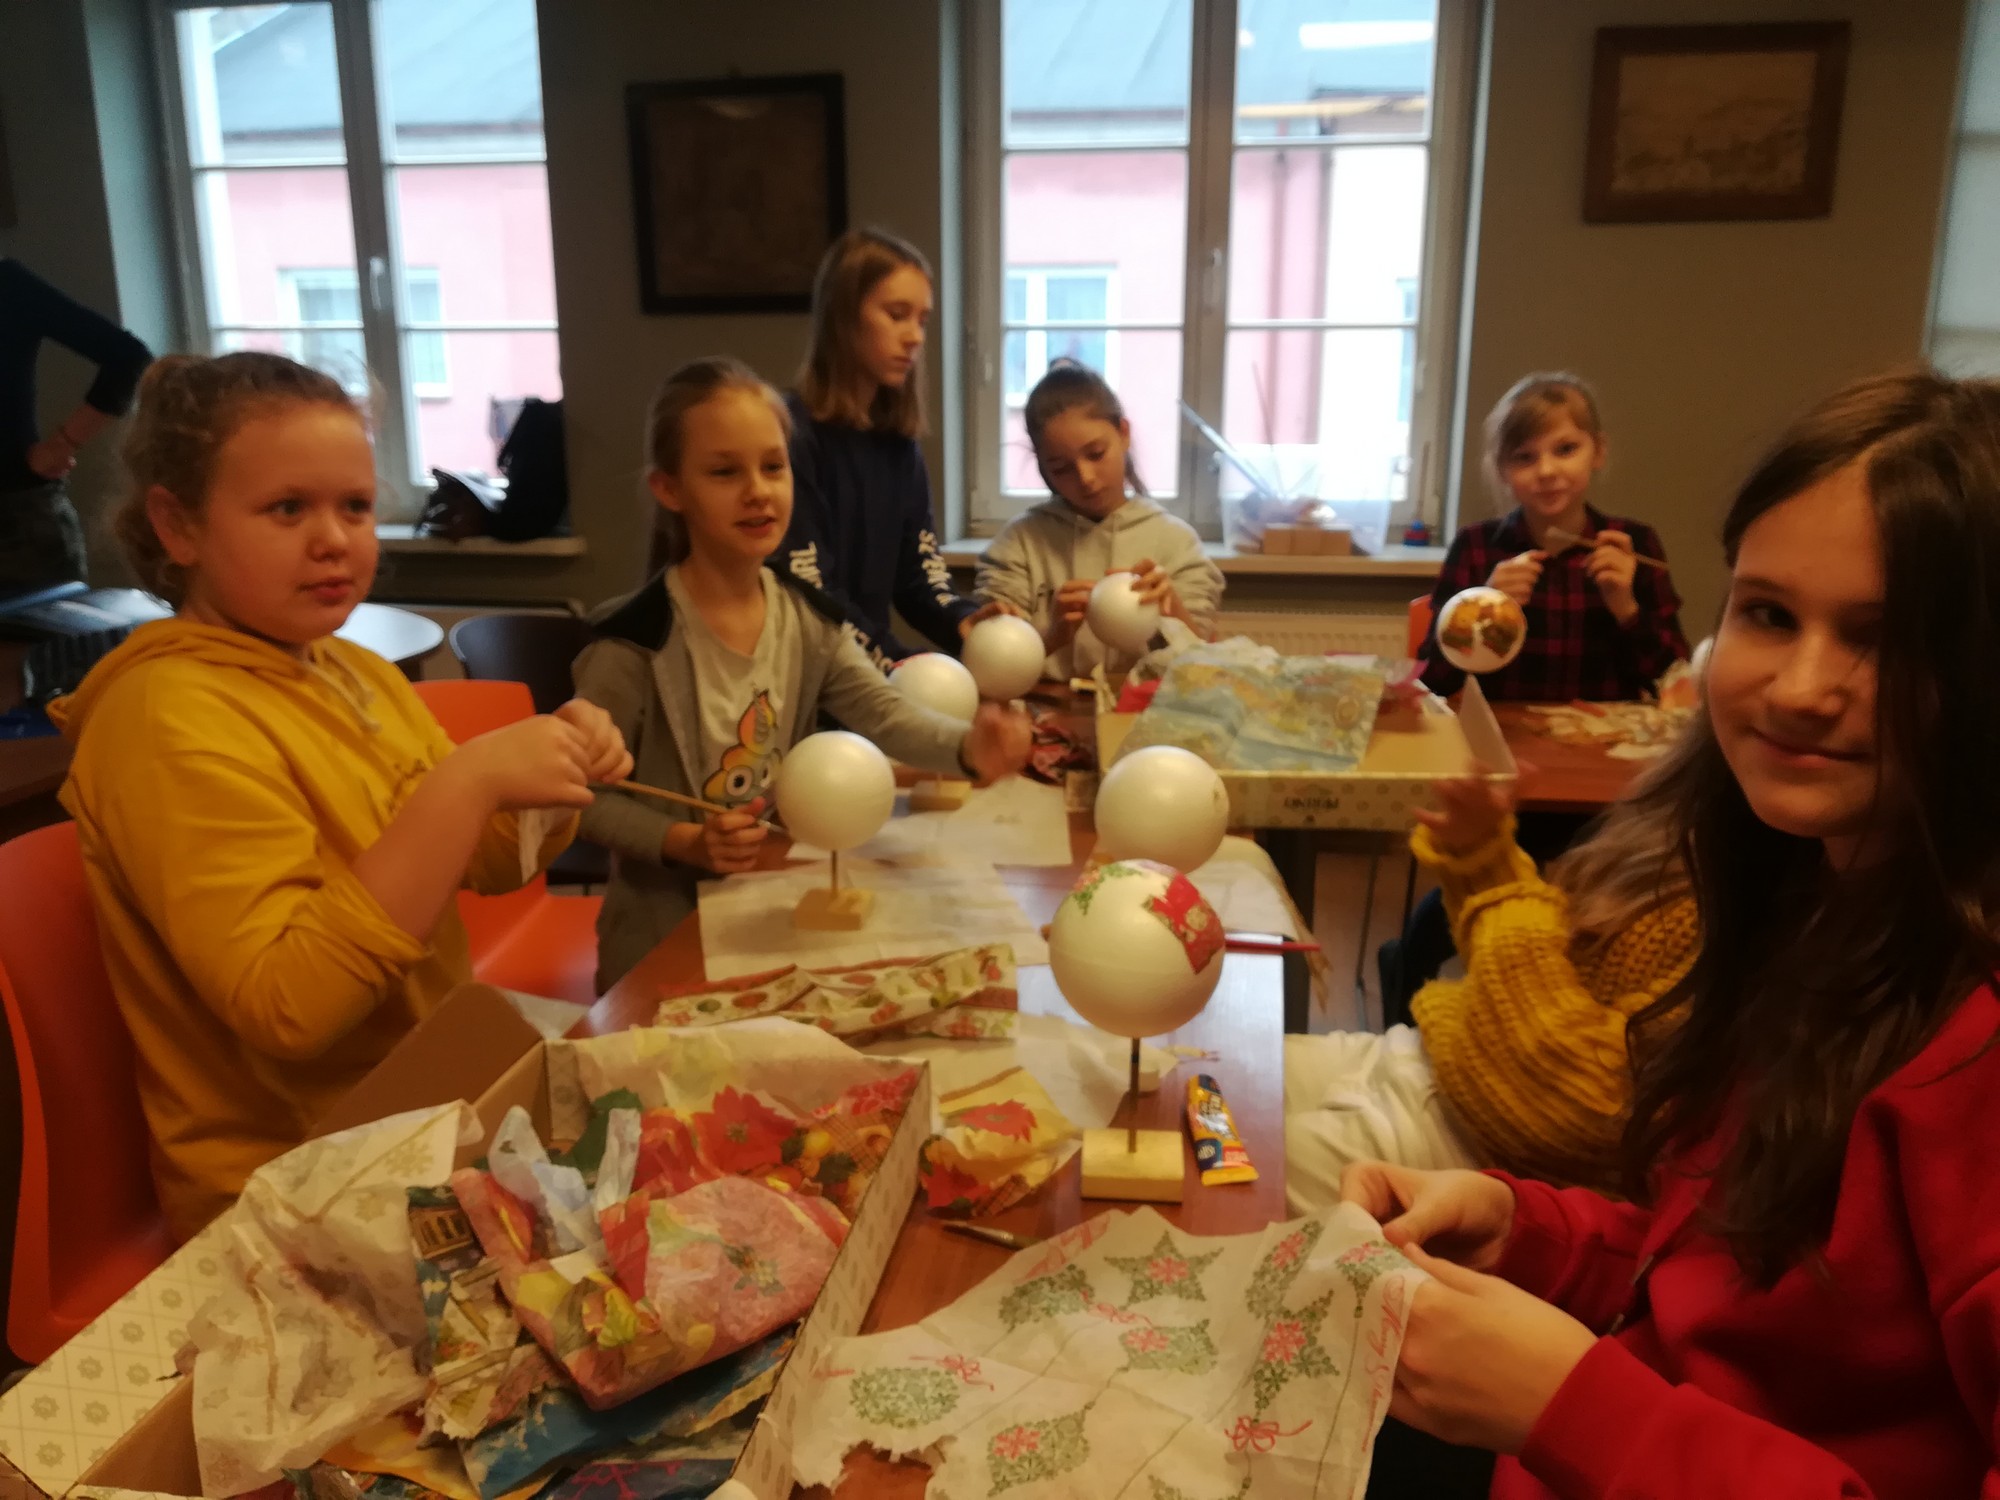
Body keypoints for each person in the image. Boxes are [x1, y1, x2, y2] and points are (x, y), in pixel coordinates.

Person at [1352, 368, 2000, 1500]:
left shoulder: (1971, 1054)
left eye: (1884, 638)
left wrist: (1578, 1410)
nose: (1799, 689)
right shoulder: (1807, 903)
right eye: (1768, 614)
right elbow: (1725, 1270)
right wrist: (1531, 1231)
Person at [53, 352, 630, 1240]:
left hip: (426, 1122)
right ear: (178, 526)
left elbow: (482, 862)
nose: (333, 539)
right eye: (288, 508)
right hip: (293, 1193)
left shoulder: (353, 670)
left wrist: (551, 775)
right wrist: (468, 780)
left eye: (355, 507)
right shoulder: (163, 717)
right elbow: (288, 1005)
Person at [576, 357, 1033, 992]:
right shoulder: (632, 641)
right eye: (724, 472)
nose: (758, 491)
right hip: (661, 943)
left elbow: (884, 714)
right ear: (670, 489)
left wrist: (968, 748)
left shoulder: (808, 619)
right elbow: (578, 798)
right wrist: (682, 840)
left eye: (774, 466)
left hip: (763, 921)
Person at [1385, 374, 1691, 1020]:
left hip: (1605, 782)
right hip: (1506, 769)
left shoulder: (1633, 546)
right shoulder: (1478, 549)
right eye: (1525, 458)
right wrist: (1482, 609)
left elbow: (1670, 676)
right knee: (1475, 884)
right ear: (1503, 471)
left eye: (1565, 449)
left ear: (1597, 452)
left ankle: (1558, 1006)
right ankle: (1409, 970)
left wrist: (1626, 605)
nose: (1547, 471)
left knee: (1606, 897)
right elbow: (1437, 680)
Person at [1284, 753, 1696, 1213]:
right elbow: (1527, 975)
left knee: (1231, 1175)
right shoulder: (1683, 822)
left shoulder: (1730, 926)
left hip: (1490, 1154)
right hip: (1440, 1060)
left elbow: (1590, 1105)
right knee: (1228, 1083)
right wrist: (1481, 860)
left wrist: (1497, 887)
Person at [779, 227, 1004, 664]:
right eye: (897, 315)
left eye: (922, 320)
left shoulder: (899, 447)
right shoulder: (789, 437)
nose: (915, 336)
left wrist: (964, 620)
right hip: (806, 678)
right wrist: (897, 660)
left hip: (870, 677)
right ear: (844, 317)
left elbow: (920, 577)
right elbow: (811, 593)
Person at [974, 360, 1223, 680]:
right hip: (1050, 704)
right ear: (1043, 468)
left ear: (1124, 433)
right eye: (1061, 468)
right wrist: (1052, 637)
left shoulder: (1176, 543)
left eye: (1095, 454)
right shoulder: (1020, 543)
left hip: (1148, 707)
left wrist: (1171, 609)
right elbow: (994, 669)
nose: (1086, 478)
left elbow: (1204, 670)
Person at [0, 257, 152, 590]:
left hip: (16, 523)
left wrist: (62, 444)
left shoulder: (7, 286)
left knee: (51, 625)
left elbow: (128, 358)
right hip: (21, 522)